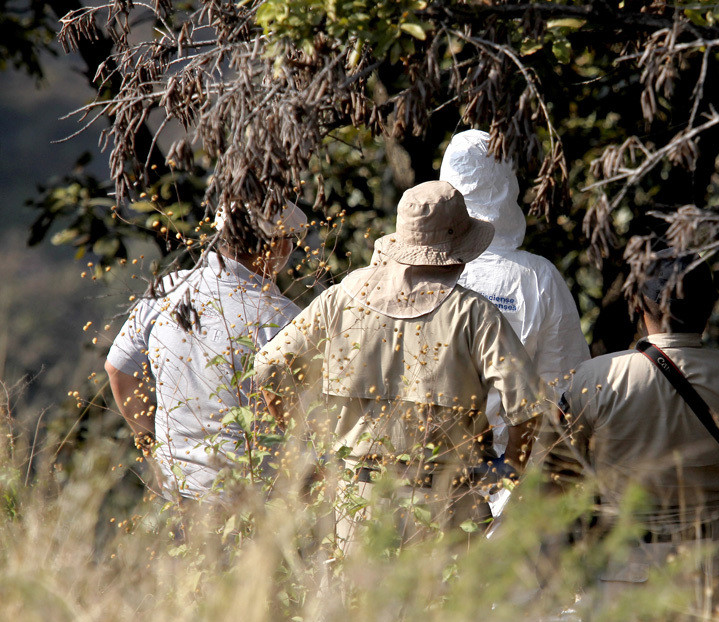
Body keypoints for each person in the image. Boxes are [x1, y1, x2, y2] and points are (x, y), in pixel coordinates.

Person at [254, 180, 544, 551]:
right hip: (446, 506)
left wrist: (309, 446)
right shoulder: (473, 313)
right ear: (457, 250)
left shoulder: (339, 298)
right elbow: (530, 406)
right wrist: (509, 471)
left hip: (356, 505)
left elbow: (267, 368)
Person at [548, 252, 719, 606]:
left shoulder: (597, 376)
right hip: (711, 567)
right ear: (709, 308)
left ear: (640, 305)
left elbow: (556, 472)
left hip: (623, 568)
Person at [105, 199, 308, 502]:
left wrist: (151, 448)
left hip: (176, 491)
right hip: (253, 499)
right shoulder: (282, 318)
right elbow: (298, 417)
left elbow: (118, 370)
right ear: (276, 246)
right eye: (291, 241)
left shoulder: (166, 290)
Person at [440, 128, 590, 506]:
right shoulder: (537, 277)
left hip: (425, 473)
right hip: (515, 478)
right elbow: (568, 388)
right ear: (508, 185)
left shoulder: (414, 271)